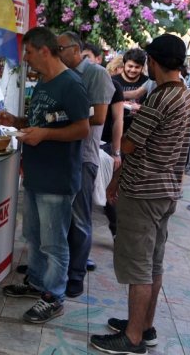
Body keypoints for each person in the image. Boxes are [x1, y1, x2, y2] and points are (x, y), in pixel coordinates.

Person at [90, 34, 190, 355]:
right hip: (166, 188)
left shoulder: (161, 97)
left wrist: (115, 179)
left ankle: (132, 338)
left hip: (144, 189)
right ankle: (143, 326)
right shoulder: (185, 95)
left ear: (154, 60)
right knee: (153, 263)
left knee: (138, 265)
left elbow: (131, 145)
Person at [0, 27, 89, 324]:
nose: (25, 58)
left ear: (44, 51)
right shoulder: (44, 83)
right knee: (34, 236)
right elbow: (40, 121)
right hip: (36, 174)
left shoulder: (71, 84)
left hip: (57, 178)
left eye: (28, 52)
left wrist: (44, 134)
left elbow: (82, 128)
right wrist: (17, 121)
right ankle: (36, 282)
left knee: (53, 242)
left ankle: (54, 296)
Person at [58, 33, 115, 298]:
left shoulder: (97, 74)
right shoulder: (59, 74)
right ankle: (57, 267)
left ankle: (76, 274)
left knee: (80, 220)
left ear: (76, 49)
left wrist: (56, 118)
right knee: (58, 217)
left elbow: (99, 115)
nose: (56, 53)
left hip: (83, 156)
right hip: (58, 153)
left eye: (60, 48)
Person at [88, 44, 125, 238]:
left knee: (108, 192)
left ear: (98, 59)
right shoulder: (76, 82)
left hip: (106, 145)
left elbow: (118, 119)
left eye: (88, 57)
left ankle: (117, 232)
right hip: (85, 146)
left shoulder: (113, 85)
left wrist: (116, 151)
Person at [114, 48, 148, 133]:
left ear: (142, 67)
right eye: (130, 66)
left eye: (137, 67)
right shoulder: (113, 81)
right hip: (114, 128)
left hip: (137, 130)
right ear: (124, 64)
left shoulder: (147, 82)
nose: (133, 70)